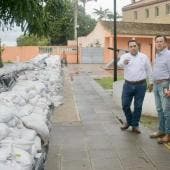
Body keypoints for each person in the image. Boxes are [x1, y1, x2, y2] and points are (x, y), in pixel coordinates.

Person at [118, 39, 153, 133]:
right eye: (131, 46)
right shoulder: (125, 56)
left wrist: (151, 82)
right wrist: (123, 63)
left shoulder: (144, 57)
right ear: (128, 47)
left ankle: (135, 125)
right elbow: (119, 64)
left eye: (134, 46)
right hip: (128, 85)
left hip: (141, 85)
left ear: (138, 46)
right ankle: (129, 122)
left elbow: (149, 70)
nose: (133, 48)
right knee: (125, 105)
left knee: (138, 106)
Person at [150, 35, 170, 144]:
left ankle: (168, 134)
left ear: (165, 43)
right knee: (159, 109)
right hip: (157, 85)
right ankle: (161, 131)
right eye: (157, 41)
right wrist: (152, 83)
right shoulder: (158, 55)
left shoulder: (168, 55)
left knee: (167, 111)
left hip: (165, 85)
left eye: (161, 41)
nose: (158, 43)